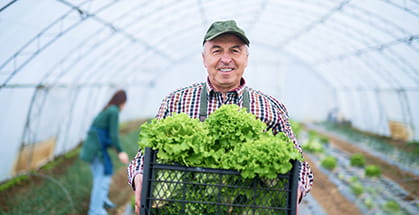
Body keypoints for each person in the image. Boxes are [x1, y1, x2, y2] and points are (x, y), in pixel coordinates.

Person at [127, 20, 313, 214]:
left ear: (246, 59)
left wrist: (295, 190)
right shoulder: (176, 102)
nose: (226, 59)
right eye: (217, 51)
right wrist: (140, 176)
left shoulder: (271, 108)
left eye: (235, 50)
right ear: (204, 58)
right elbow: (145, 155)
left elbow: (300, 165)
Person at [80, 89, 130, 215]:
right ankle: (95, 210)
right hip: (96, 149)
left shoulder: (109, 109)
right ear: (122, 102)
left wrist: (115, 148)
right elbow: (113, 135)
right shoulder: (114, 111)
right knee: (101, 179)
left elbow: (105, 134)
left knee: (104, 174)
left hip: (94, 147)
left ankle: (101, 201)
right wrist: (120, 152)